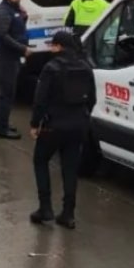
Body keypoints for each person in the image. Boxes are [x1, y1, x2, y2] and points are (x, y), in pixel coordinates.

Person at [28, 30, 96, 229]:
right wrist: (82, 117)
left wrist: (34, 124)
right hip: (78, 126)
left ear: (58, 47)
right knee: (70, 167)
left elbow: (40, 100)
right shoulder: (86, 67)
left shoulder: (51, 68)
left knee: (40, 160)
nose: (50, 49)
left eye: (53, 45)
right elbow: (92, 99)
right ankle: (68, 213)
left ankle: (45, 208)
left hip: (53, 126)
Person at [0, 0, 29, 140]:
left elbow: (17, 28)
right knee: (6, 94)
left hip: (12, 57)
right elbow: (3, 36)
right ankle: (2, 128)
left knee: (6, 93)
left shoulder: (13, 10)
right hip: (5, 58)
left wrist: (24, 16)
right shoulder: (3, 12)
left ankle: (1, 123)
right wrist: (23, 49)